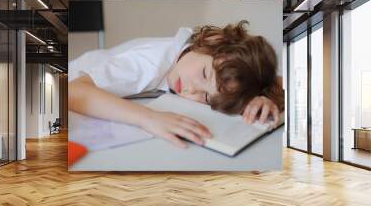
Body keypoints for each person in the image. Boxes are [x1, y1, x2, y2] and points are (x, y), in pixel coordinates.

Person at [69, 21, 284, 148]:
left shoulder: (195, 58)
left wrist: (258, 97)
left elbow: (270, 77)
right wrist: (148, 118)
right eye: (204, 74)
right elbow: (73, 92)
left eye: (206, 97)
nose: (191, 90)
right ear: (209, 43)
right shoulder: (149, 62)